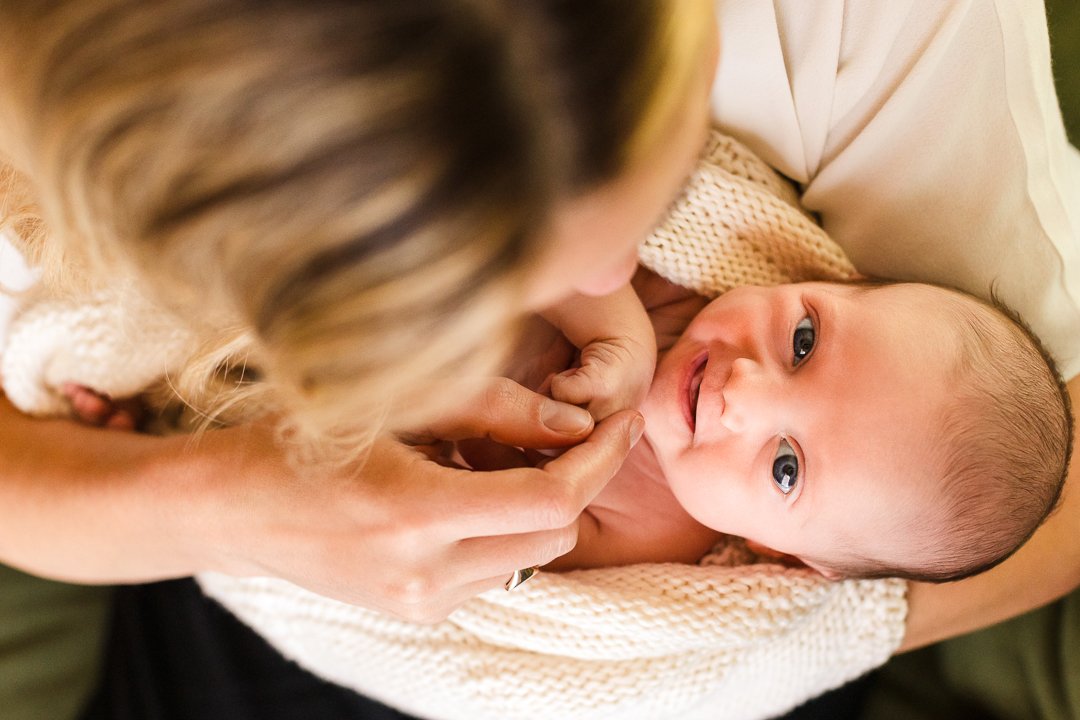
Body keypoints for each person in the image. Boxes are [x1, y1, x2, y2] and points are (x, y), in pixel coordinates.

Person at [0, 0, 1076, 718]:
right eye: (799, 339)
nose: (635, 265)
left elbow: (1008, 492)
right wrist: (202, 498)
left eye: (788, 467)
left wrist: (813, 623)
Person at [547, 276, 1071, 585]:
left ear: (772, 548)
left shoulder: (652, 533)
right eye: (803, 341)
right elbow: (548, 231)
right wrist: (620, 331)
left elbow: (516, 536)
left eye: (786, 469)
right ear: (828, 280)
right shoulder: (667, 289)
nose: (741, 393)